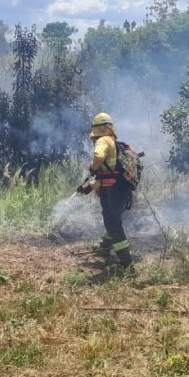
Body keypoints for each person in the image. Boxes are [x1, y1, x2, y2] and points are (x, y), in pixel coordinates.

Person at [78, 112, 134, 271]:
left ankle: (127, 265)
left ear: (98, 128)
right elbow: (109, 176)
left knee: (113, 224)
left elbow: (98, 156)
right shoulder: (115, 143)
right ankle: (105, 247)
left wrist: (93, 168)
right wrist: (89, 187)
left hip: (113, 194)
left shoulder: (103, 140)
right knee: (112, 219)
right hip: (122, 191)